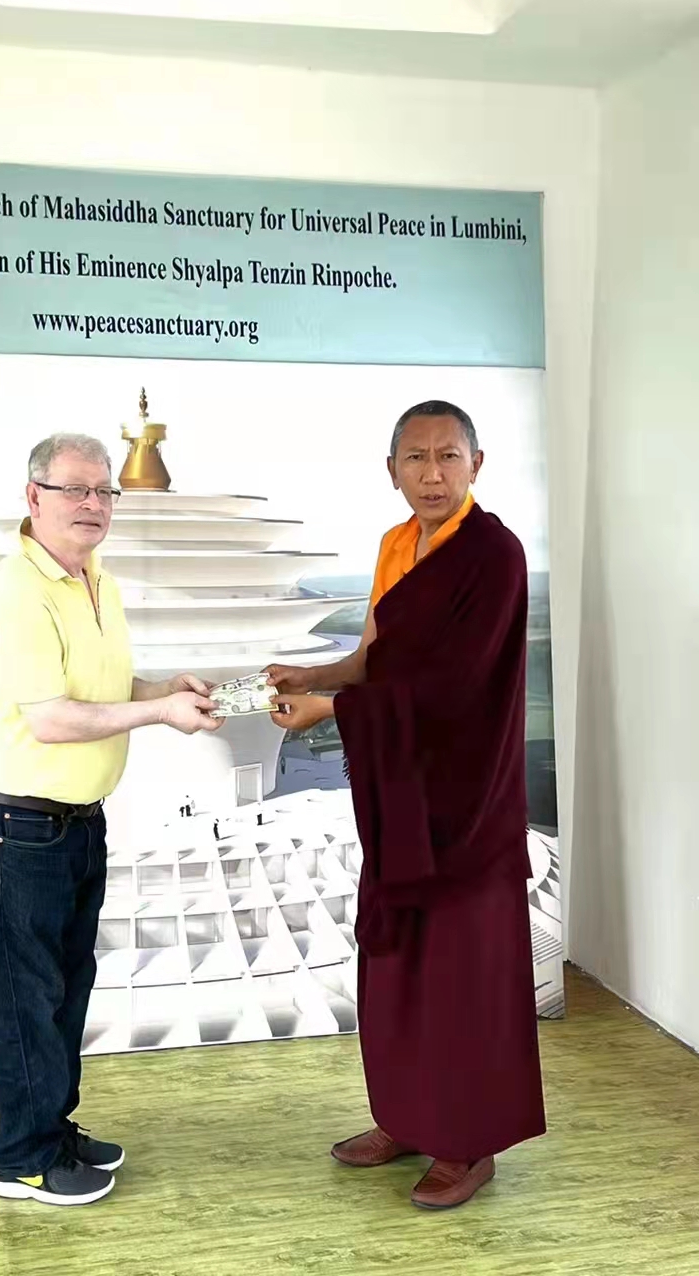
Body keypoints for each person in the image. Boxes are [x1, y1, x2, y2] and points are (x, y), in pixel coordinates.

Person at [268, 401, 545, 1211]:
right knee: (397, 966)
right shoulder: (397, 545)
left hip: (466, 797)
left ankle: (467, 1144)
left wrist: (333, 714)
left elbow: (452, 688)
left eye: (448, 457)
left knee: (462, 975)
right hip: (403, 797)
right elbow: (379, 661)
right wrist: (315, 677)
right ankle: (408, 1118)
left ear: (477, 465)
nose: (431, 473)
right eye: (415, 458)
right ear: (391, 470)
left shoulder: (494, 554)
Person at [0, 431, 221, 1207]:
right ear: (33, 496)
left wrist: (159, 684)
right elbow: (52, 719)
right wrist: (160, 713)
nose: (94, 505)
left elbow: (96, 683)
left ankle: (50, 1126)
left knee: (65, 987)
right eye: (75, 489)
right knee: (27, 993)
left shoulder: (91, 578)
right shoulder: (15, 591)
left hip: (74, 821)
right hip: (16, 827)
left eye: (105, 491)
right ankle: (20, 1160)